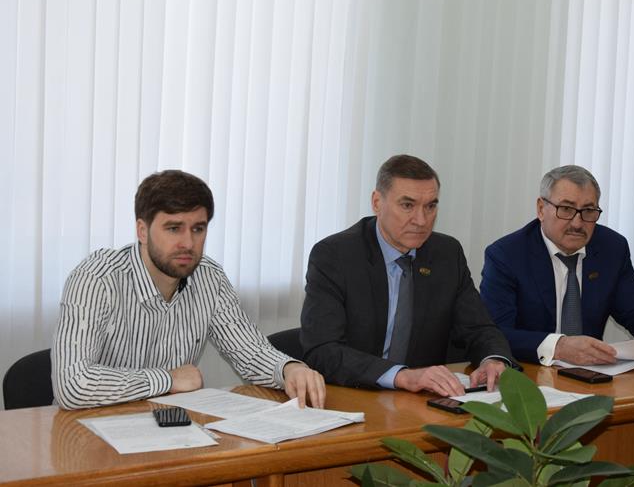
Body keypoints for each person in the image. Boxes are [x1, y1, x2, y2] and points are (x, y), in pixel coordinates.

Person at [51, 170, 326, 409]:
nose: (188, 243)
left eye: (198, 229)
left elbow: (250, 351)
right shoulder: (97, 278)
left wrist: (289, 369)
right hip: (89, 429)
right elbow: (72, 385)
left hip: (169, 426)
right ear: (142, 231)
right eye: (174, 228)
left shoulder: (210, 277)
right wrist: (168, 379)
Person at [300, 154, 515, 397]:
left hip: (421, 401)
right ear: (377, 202)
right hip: (355, 394)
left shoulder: (446, 253)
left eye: (430, 206)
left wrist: (493, 359)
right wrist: (401, 376)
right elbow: (322, 350)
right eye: (407, 205)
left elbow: (478, 327)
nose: (421, 220)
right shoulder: (335, 255)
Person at [480, 165, 634, 365]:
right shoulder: (506, 255)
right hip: (531, 372)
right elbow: (495, 333)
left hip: (591, 374)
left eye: (588, 211)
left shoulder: (611, 248)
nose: (577, 223)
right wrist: (558, 346)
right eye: (566, 209)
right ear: (541, 209)